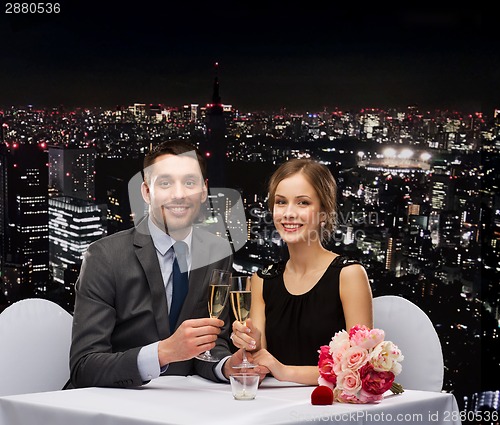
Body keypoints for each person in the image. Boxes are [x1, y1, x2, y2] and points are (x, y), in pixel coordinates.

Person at [69, 140, 257, 388]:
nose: (179, 194)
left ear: (203, 192)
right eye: (166, 183)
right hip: (115, 403)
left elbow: (213, 343)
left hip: (185, 403)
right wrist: (163, 352)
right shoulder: (104, 256)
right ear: (147, 192)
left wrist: (226, 366)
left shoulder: (218, 251)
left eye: (189, 182)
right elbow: (84, 367)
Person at [231, 158, 373, 385]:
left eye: (303, 203)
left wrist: (284, 371)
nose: (288, 213)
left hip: (331, 411)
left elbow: (360, 368)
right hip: (272, 408)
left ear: (324, 212)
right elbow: (260, 362)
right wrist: (250, 344)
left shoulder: (349, 275)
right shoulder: (261, 280)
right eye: (280, 202)